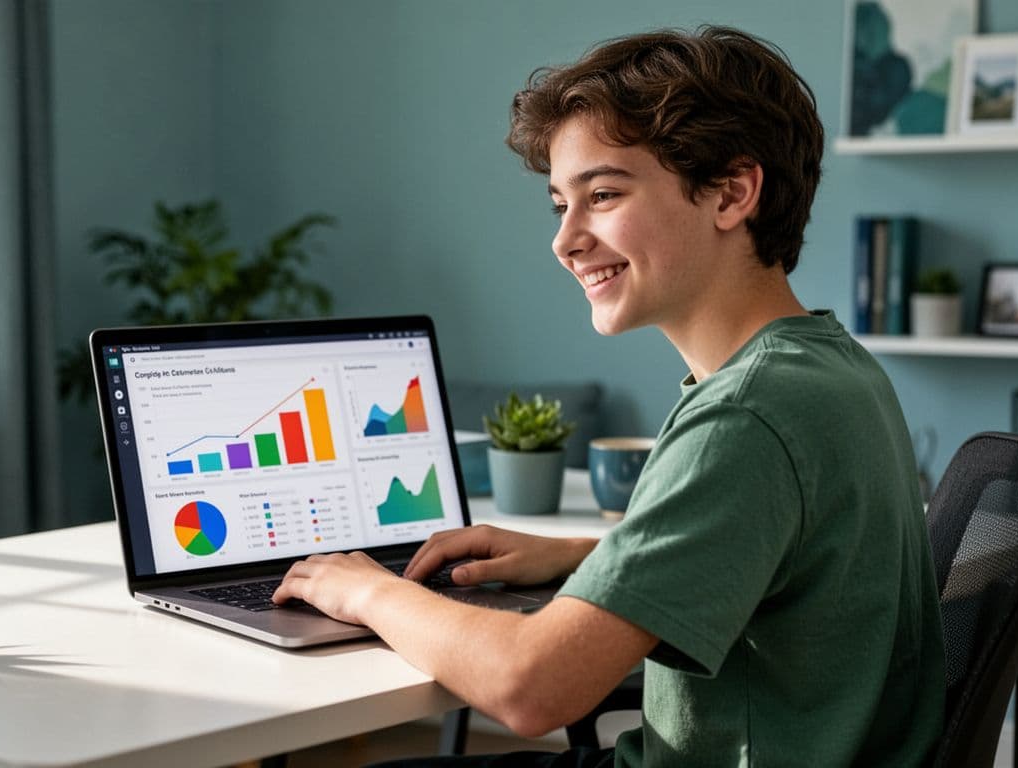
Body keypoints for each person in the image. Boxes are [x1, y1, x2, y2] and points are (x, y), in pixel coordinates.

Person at [272, 26, 945, 767]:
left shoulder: (748, 414)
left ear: (731, 192)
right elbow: (792, 563)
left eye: (602, 194)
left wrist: (365, 589)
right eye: (560, 204)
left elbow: (533, 689)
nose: (566, 240)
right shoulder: (829, 367)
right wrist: (587, 558)